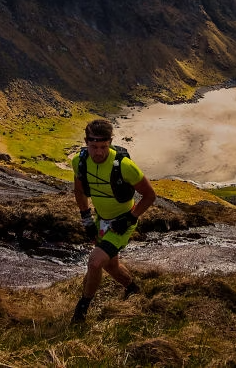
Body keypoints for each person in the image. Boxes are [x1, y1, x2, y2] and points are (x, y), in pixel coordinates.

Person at [70, 117, 156, 324]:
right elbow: (79, 191)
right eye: (93, 146)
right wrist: (86, 218)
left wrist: (129, 218)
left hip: (123, 223)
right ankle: (133, 288)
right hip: (101, 221)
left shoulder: (125, 166)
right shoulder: (79, 162)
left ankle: (81, 310)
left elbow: (150, 196)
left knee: (95, 262)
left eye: (103, 147)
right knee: (110, 265)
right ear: (86, 142)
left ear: (110, 143)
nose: (98, 152)